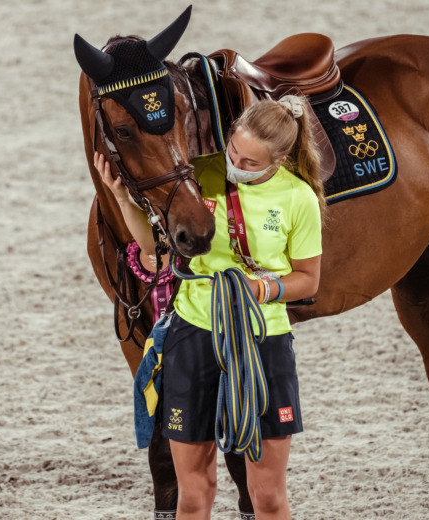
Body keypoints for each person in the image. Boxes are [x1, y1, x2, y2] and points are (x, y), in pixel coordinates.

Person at [96, 94, 324, 520]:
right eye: (234, 152)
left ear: (279, 160)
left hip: (263, 342)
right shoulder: (199, 176)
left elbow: (308, 280)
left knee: (269, 496)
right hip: (193, 337)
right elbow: (155, 249)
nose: (236, 165)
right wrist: (122, 198)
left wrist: (261, 289)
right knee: (195, 492)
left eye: (251, 163)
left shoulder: (299, 198)